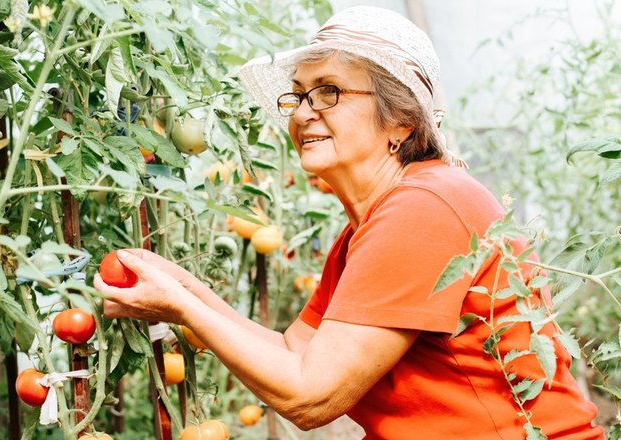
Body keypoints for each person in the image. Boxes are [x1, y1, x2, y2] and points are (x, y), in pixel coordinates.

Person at [94, 6, 604, 439]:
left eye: (329, 91)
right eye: (298, 95)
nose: (302, 113)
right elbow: (297, 351)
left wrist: (183, 304)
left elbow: (311, 397)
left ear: (399, 122)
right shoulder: (372, 224)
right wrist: (189, 295)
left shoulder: (423, 208)